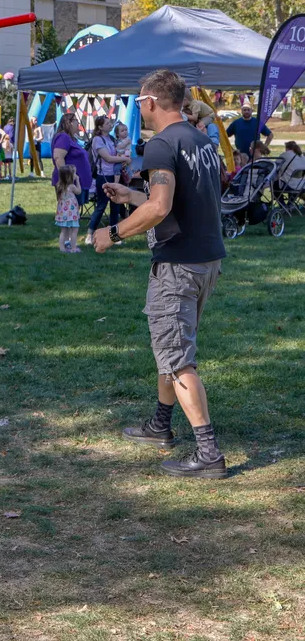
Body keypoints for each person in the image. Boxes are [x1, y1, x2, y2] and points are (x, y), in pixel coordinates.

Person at [93, 69, 227, 479]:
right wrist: (133, 195)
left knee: (177, 358)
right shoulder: (202, 140)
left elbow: (161, 207)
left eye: (138, 102)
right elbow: (180, 199)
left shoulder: (160, 146)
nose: (140, 109)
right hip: (207, 261)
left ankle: (209, 453)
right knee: (170, 350)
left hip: (178, 265)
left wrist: (111, 233)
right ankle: (160, 426)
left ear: (151, 101)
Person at [84, 116, 130, 245]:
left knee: (115, 206)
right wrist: (124, 159)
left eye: (110, 123)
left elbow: (118, 152)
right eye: (107, 123)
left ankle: (114, 236)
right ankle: (90, 234)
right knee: (101, 206)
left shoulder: (111, 139)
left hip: (115, 176)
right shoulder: (98, 140)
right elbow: (108, 158)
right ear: (100, 127)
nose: (110, 125)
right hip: (104, 176)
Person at [51, 112, 92, 206]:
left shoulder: (71, 139)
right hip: (70, 182)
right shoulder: (63, 137)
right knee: (69, 210)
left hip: (78, 181)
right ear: (68, 123)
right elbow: (58, 157)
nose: (78, 123)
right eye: (76, 121)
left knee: (74, 212)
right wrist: (67, 179)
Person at [55, 165, 81, 253]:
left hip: (63, 213)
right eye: (74, 173)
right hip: (71, 213)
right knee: (74, 230)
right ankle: (73, 248)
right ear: (69, 176)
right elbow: (79, 191)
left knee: (63, 231)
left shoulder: (59, 186)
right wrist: (77, 181)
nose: (75, 175)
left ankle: (62, 248)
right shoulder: (71, 186)